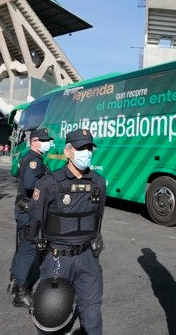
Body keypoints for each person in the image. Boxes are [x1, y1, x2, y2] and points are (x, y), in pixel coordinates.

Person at [29, 128, 106, 334]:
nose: (87, 152)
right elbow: (35, 224)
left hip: (88, 257)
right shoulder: (48, 183)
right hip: (57, 258)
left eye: (90, 147)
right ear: (68, 152)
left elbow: (98, 217)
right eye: (81, 148)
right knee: (52, 315)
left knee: (92, 316)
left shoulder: (98, 182)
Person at [9, 128, 53, 308]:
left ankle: (14, 277)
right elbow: (29, 184)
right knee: (28, 249)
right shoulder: (34, 160)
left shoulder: (28, 156)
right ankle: (20, 292)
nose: (48, 143)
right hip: (28, 210)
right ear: (34, 141)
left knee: (23, 247)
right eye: (44, 140)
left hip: (23, 208)